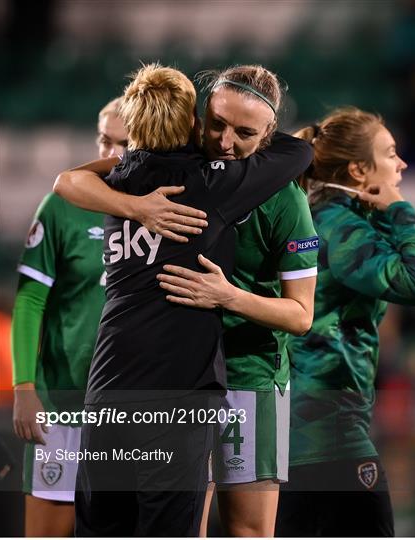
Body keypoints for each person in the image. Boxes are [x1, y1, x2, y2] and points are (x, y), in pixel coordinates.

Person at [54, 64, 319, 537]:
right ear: (197, 118)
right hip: (185, 381)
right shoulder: (193, 176)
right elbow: (73, 179)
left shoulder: (286, 200)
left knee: (246, 530)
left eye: (244, 132)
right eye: (216, 124)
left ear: (268, 133)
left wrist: (229, 296)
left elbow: (301, 316)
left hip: (246, 373)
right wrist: (138, 206)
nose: (224, 141)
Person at [275, 107, 415, 537]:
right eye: (390, 154)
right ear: (358, 169)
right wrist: (400, 209)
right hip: (330, 437)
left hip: (295, 434)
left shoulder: (311, 214)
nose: (401, 164)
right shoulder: (341, 227)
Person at [10, 97, 128, 537]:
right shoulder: (60, 206)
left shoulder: (164, 210)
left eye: (124, 144)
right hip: (61, 407)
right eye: (104, 140)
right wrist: (24, 386)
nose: (110, 155)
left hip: (131, 412)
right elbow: (28, 302)